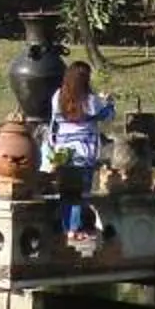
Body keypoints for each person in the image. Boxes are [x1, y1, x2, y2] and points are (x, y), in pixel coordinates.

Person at [39, 60, 113, 233]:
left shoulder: (57, 96)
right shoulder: (90, 100)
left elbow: (54, 120)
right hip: (83, 150)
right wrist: (109, 102)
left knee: (66, 191)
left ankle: (67, 228)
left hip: (62, 150)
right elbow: (107, 115)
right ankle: (76, 228)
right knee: (81, 192)